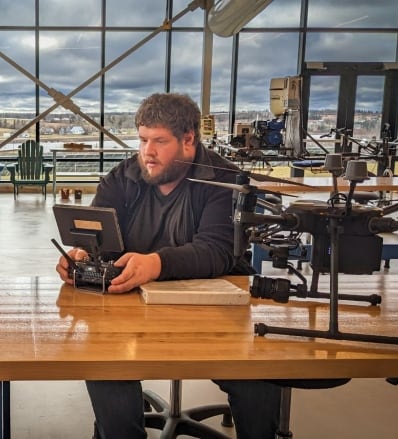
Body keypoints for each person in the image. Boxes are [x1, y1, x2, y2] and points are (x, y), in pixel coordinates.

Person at [55, 92, 281, 439]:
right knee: (105, 370)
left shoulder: (226, 181)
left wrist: (156, 263)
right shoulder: (121, 178)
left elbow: (218, 250)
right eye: (143, 139)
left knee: (257, 377)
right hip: (130, 307)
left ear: (188, 140)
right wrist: (82, 255)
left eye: (159, 141)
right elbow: (97, 237)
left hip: (217, 311)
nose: (147, 151)